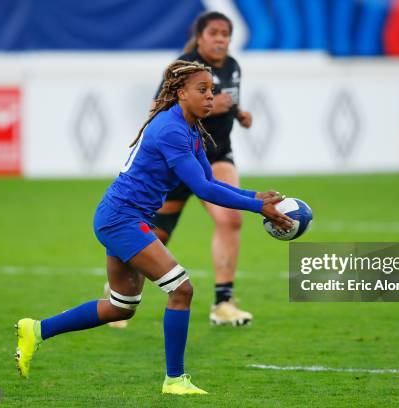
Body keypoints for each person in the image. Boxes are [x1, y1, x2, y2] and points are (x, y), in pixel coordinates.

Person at [15, 60, 293, 395]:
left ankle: (36, 330)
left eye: (212, 90)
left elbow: (207, 180)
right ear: (180, 93)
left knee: (120, 305)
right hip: (122, 219)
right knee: (182, 289)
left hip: (123, 217)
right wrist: (256, 206)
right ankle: (175, 380)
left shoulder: (190, 129)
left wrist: (253, 196)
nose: (210, 97)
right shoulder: (172, 130)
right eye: (202, 90)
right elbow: (204, 191)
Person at [105, 11, 257, 328]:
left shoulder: (232, 66)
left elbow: (227, 99)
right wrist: (214, 107)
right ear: (199, 36)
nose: (221, 39)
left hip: (216, 155)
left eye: (226, 34)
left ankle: (223, 302)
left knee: (230, 219)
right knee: (157, 233)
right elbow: (157, 108)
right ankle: (118, 296)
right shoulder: (183, 69)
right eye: (214, 33)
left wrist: (239, 114)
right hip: (178, 162)